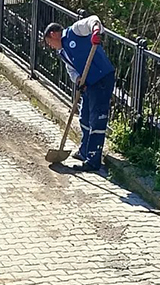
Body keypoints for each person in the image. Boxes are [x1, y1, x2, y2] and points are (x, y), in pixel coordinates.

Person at [43, 16, 115, 171]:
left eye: (49, 42)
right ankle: (84, 151)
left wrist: (96, 31)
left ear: (54, 34)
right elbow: (71, 70)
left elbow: (93, 20)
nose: (50, 46)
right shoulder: (63, 52)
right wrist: (78, 79)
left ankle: (93, 160)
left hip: (102, 78)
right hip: (88, 83)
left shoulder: (75, 31)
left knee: (97, 119)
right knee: (84, 117)